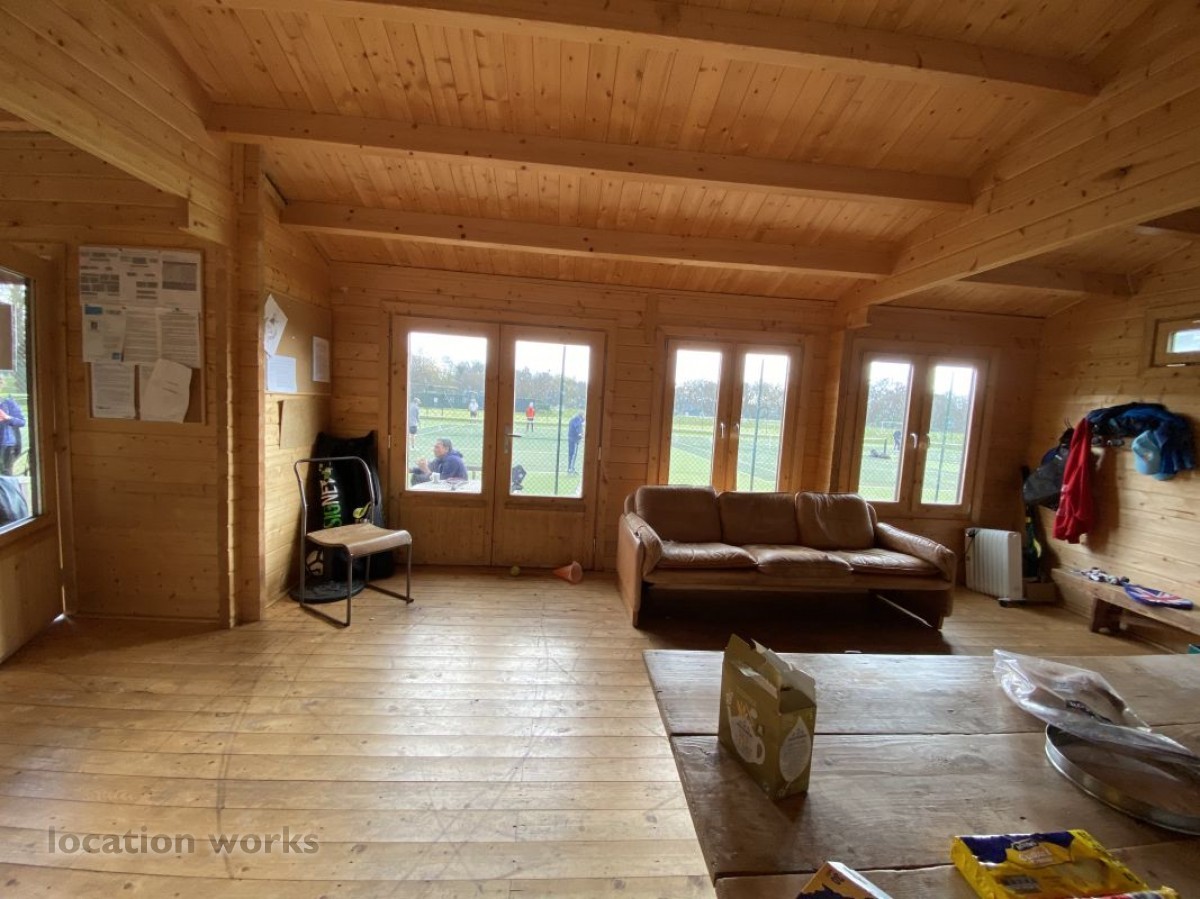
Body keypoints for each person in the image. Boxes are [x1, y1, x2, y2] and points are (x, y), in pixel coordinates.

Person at [0, 395, 25, 477]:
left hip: (6, 445)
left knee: (6, 476)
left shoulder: (8, 403)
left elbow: (21, 422)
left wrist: (7, 418)